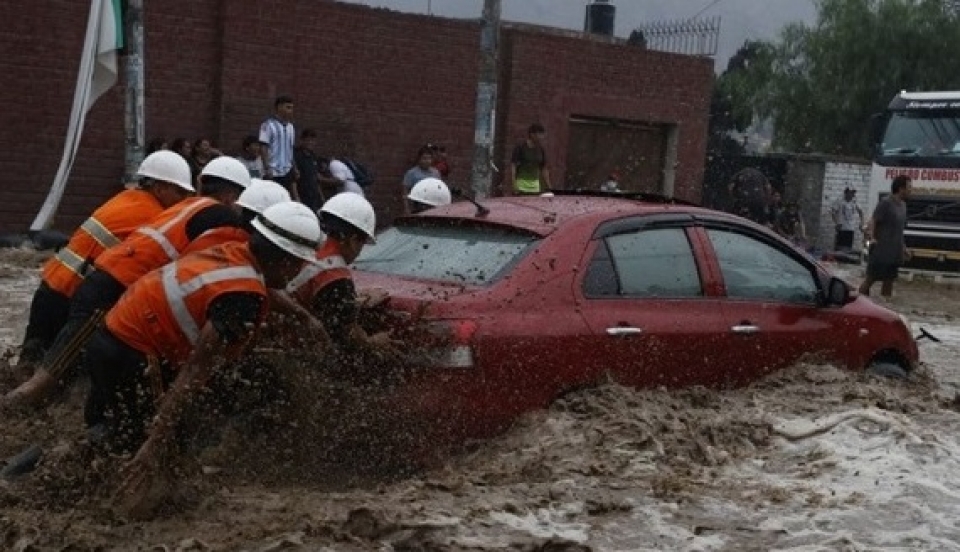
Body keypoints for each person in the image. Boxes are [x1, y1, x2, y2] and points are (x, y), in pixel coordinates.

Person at [83, 202, 325, 518]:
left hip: (112, 335)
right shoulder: (242, 298)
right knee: (146, 442)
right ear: (286, 261)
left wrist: (303, 317)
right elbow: (194, 373)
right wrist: (153, 445)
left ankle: (62, 478)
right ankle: (123, 515)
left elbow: (262, 283)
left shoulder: (235, 252)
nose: (298, 273)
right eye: (299, 265)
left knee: (115, 431)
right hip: (136, 354)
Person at [4, 157, 252, 408]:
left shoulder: (161, 205)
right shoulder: (205, 216)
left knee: (39, 364)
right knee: (46, 379)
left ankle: (24, 406)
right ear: (232, 196)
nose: (181, 196)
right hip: (100, 292)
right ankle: (10, 414)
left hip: (62, 284)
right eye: (178, 190)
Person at [9, 151, 194, 383]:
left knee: (28, 363)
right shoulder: (156, 216)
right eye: (180, 192)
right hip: (74, 300)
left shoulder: (123, 199)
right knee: (59, 378)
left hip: (49, 287)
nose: (183, 199)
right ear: (160, 188)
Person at [280, 193, 399, 360]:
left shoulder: (307, 246)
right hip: (293, 349)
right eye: (361, 244)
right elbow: (346, 333)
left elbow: (321, 300)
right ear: (352, 240)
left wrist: (355, 300)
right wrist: (374, 342)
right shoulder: (335, 275)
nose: (359, 252)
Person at [859, 175, 912, 297]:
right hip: (881, 250)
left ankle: (885, 308)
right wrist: (872, 238)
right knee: (870, 280)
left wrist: (904, 248)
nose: (910, 190)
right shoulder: (885, 202)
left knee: (889, 282)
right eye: (909, 187)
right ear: (900, 188)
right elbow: (874, 221)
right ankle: (859, 302)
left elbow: (899, 230)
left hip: (895, 252)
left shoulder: (903, 206)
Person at [259, 95, 298, 200]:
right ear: (279, 107)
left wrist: (294, 167)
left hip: (287, 170)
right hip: (273, 171)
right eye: (288, 107)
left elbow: (290, 149)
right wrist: (267, 167)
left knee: (286, 198)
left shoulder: (291, 127)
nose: (291, 111)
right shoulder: (268, 125)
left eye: (292, 108)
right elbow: (263, 146)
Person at [508, 123, 550, 195]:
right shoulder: (520, 147)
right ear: (532, 134)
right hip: (521, 186)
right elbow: (513, 166)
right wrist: (514, 184)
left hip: (535, 187)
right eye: (539, 134)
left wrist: (549, 186)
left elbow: (544, 169)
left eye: (542, 135)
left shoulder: (541, 149)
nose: (541, 137)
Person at [402, 146, 441, 213]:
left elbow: (440, 189)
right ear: (419, 159)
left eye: (429, 158)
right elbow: (405, 192)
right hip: (417, 206)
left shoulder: (436, 173)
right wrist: (407, 209)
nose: (427, 161)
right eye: (424, 158)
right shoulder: (412, 173)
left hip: (433, 206)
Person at [294, 128, 323, 212]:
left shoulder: (313, 156)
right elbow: (293, 179)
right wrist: (297, 197)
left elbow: (316, 179)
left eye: (312, 141)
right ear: (302, 140)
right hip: (302, 195)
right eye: (308, 140)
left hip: (314, 196)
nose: (310, 143)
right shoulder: (296, 156)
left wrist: (321, 197)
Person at [831, 187, 864, 251]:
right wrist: (836, 223)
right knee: (839, 248)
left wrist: (861, 223)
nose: (853, 194)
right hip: (841, 228)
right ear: (847, 192)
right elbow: (833, 213)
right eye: (851, 192)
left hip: (850, 229)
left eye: (853, 193)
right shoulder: (840, 201)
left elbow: (861, 212)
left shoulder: (854, 202)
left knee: (848, 249)